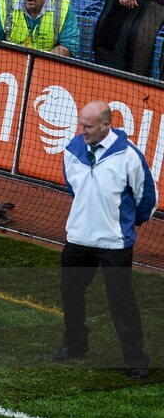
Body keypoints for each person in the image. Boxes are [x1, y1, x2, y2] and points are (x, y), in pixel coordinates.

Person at [47, 101, 157, 380]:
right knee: (70, 292)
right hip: (79, 239)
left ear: (106, 125)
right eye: (81, 124)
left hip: (114, 244)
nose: (81, 130)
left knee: (122, 301)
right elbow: (75, 187)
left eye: (88, 126)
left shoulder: (129, 156)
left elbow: (147, 198)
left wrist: (128, 223)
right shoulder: (72, 150)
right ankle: (75, 345)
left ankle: (136, 360)